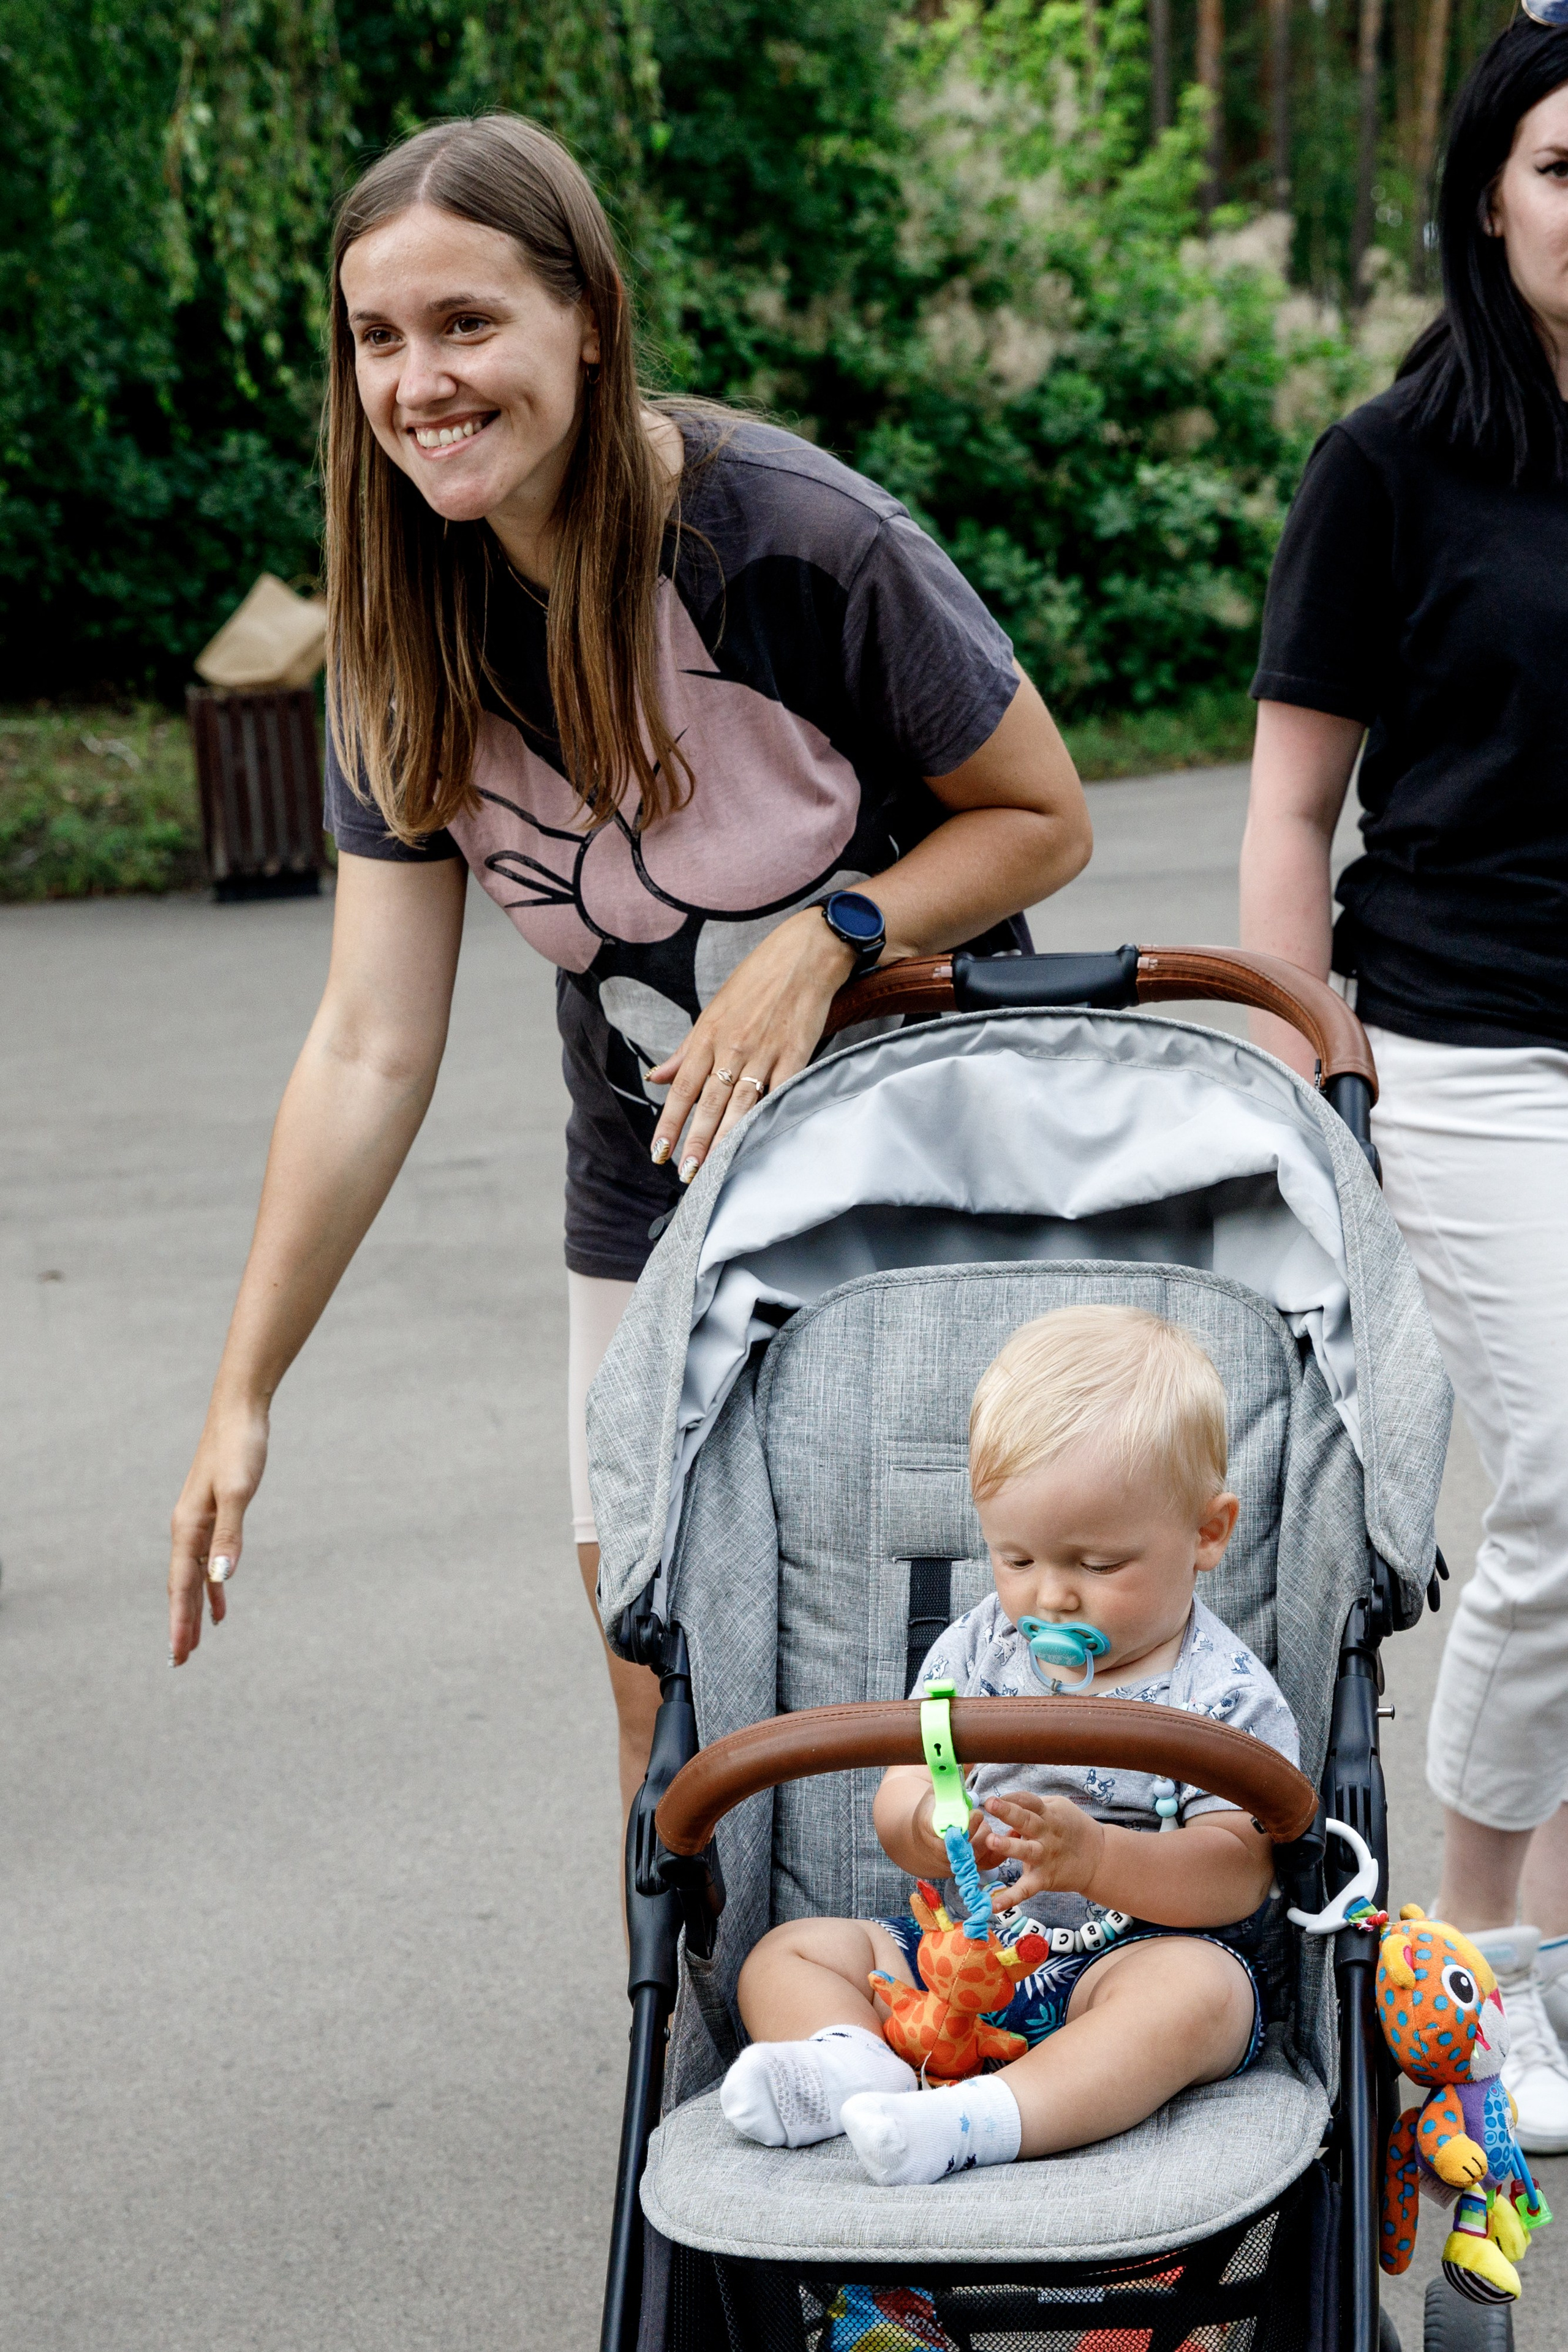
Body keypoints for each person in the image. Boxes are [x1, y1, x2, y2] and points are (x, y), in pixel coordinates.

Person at [164, 114, 1094, 1822]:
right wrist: (245, 1390)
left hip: (939, 1169)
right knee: (657, 1680)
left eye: (468, 324)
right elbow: (371, 1045)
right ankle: (698, 2068)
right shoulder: (402, 632)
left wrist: (832, 936)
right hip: (656, 1199)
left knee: (969, 1672)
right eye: (380, 338)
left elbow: (1042, 819)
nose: (420, 380)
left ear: (588, 314)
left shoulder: (800, 538)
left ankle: (988, 2043)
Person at [1238, 20, 1568, 2151]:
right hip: (1469, 1046)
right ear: (1489, 201)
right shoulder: (1393, 465)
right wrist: (1306, 1065)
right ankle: (1476, 1959)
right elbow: (1292, 813)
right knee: (1563, 1489)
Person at [720, 1308, 1297, 2186]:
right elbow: (900, 1795)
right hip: (961, 1962)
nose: (1051, 1598)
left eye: (1097, 1566)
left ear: (1208, 1533)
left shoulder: (1221, 1692)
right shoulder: (978, 1650)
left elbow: (1239, 1872)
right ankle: (856, 2062)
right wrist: (934, 1822)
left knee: (1199, 1996)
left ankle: (978, 2121)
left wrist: (1096, 1855)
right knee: (789, 1952)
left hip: (1122, 1965)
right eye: (1017, 1559)